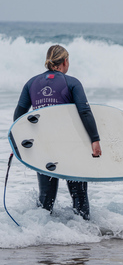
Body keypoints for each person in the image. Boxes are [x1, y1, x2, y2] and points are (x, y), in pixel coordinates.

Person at [13, 45, 102, 220]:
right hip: (71, 146)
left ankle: (40, 236)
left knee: (46, 199)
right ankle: (83, 234)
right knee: (79, 196)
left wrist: (18, 143)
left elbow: (19, 116)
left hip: (44, 146)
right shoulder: (72, 82)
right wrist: (95, 140)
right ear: (65, 61)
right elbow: (84, 112)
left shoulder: (31, 83)